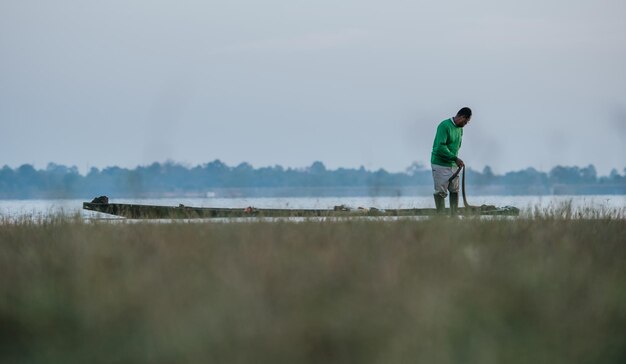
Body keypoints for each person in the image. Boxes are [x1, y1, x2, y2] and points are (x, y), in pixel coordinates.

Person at [430, 107, 471, 215]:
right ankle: (441, 218)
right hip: (440, 164)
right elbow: (440, 147)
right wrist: (455, 158)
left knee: (454, 190)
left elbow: (456, 146)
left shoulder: (460, 129)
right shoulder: (444, 126)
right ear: (462, 117)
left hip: (453, 165)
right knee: (440, 192)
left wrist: (455, 160)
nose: (466, 124)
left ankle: (454, 217)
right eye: (466, 121)